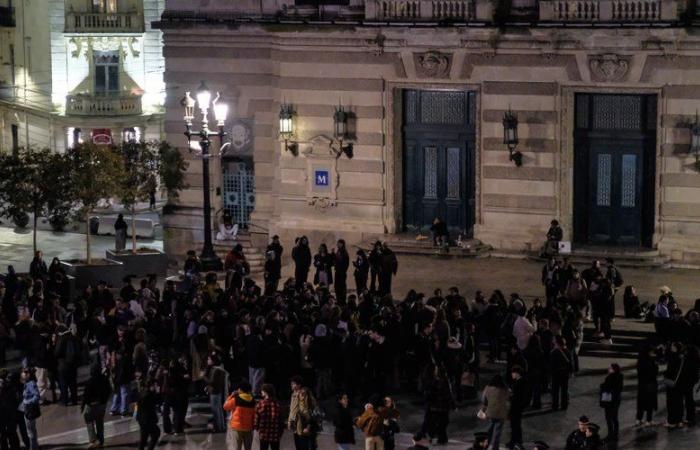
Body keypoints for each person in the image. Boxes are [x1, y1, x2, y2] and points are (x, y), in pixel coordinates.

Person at [81, 364, 111, 449]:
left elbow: (86, 395)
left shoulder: (90, 381)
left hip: (92, 405)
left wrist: (83, 405)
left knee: (89, 421)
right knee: (100, 422)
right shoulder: (105, 379)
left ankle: (93, 440)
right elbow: (109, 390)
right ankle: (100, 440)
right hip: (102, 404)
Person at [224, 381, 256, 450]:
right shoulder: (252, 401)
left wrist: (231, 396)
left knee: (237, 447)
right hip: (248, 428)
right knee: (248, 448)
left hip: (237, 428)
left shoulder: (236, 399)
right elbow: (254, 415)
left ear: (240, 389)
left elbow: (225, 406)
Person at [481, 375, 509, 450]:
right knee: (497, 432)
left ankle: (484, 445)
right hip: (500, 413)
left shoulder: (487, 388)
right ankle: (495, 448)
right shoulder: (504, 389)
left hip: (490, 412)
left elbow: (483, 400)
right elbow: (508, 398)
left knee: (489, 429)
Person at [203, 353, 228, 433]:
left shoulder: (216, 370)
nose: (208, 361)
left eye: (209, 359)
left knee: (216, 411)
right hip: (216, 392)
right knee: (219, 410)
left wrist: (204, 377)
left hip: (215, 392)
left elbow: (212, 382)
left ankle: (218, 428)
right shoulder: (216, 369)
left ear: (213, 361)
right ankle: (221, 427)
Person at [255, 384, 284, 450]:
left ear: (265, 392)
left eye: (262, 391)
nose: (261, 392)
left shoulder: (261, 403)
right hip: (275, 433)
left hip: (263, 433)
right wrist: (280, 431)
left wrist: (257, 428)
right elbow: (281, 419)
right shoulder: (277, 403)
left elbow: (256, 418)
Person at [599, 363, 623, 442]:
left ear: (614, 369)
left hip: (609, 401)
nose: (608, 369)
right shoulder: (620, 377)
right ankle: (615, 434)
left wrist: (602, 386)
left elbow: (607, 387)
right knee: (615, 418)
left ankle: (610, 434)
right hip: (616, 400)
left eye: (610, 368)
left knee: (609, 418)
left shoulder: (610, 378)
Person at [635, 346, 658, 427]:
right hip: (649, 385)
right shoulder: (650, 361)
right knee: (649, 403)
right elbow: (654, 372)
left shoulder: (640, 361)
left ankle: (639, 419)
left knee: (641, 402)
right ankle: (649, 420)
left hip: (641, 385)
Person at [136, 377, 160, 450]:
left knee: (143, 438)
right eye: (155, 385)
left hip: (141, 419)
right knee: (155, 434)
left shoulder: (142, 392)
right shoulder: (149, 395)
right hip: (148, 420)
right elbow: (155, 403)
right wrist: (157, 393)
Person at [507, 366, 528, 450]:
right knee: (516, 425)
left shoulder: (520, 383)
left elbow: (519, 396)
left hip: (516, 407)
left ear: (517, 373)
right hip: (517, 407)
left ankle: (514, 442)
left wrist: (511, 394)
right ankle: (516, 441)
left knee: (515, 425)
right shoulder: (520, 382)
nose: (512, 374)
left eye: (513, 373)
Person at [20, 368, 40, 450]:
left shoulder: (30, 384)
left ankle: (33, 448)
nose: (22, 374)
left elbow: (37, 396)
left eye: (24, 372)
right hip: (28, 409)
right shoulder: (27, 383)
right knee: (32, 430)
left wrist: (27, 402)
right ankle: (35, 447)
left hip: (29, 409)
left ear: (28, 374)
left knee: (30, 432)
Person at [550, 335, 572, 411]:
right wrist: (570, 372)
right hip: (565, 373)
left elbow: (551, 364)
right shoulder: (567, 351)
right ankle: (564, 405)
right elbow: (570, 363)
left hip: (556, 373)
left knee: (555, 390)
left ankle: (555, 405)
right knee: (564, 390)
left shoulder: (554, 352)